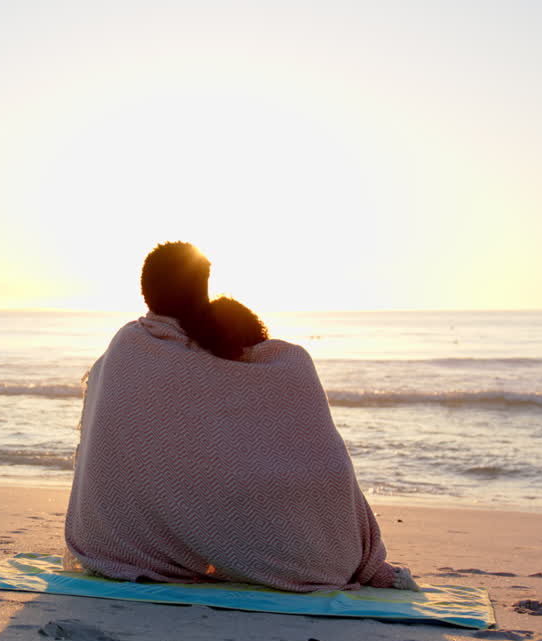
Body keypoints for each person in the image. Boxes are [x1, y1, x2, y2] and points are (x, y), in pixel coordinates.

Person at [64, 241, 417, 592]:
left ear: (145, 294)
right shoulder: (283, 362)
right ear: (203, 289)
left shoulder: (127, 349)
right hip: (306, 540)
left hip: (117, 536)